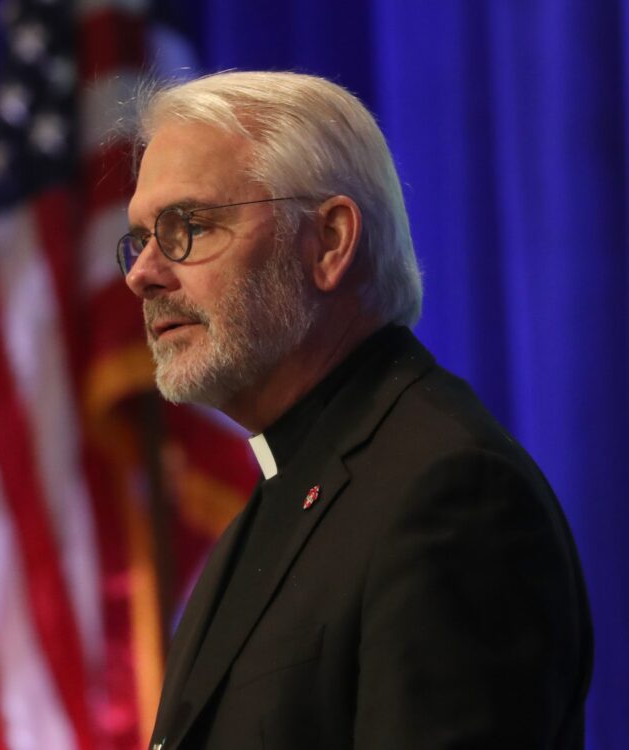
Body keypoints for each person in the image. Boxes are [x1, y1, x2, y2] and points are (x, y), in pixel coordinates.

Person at [117, 71, 592, 749]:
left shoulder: (451, 494)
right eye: (141, 238)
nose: (143, 274)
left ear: (331, 241)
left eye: (189, 226)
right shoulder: (285, 491)